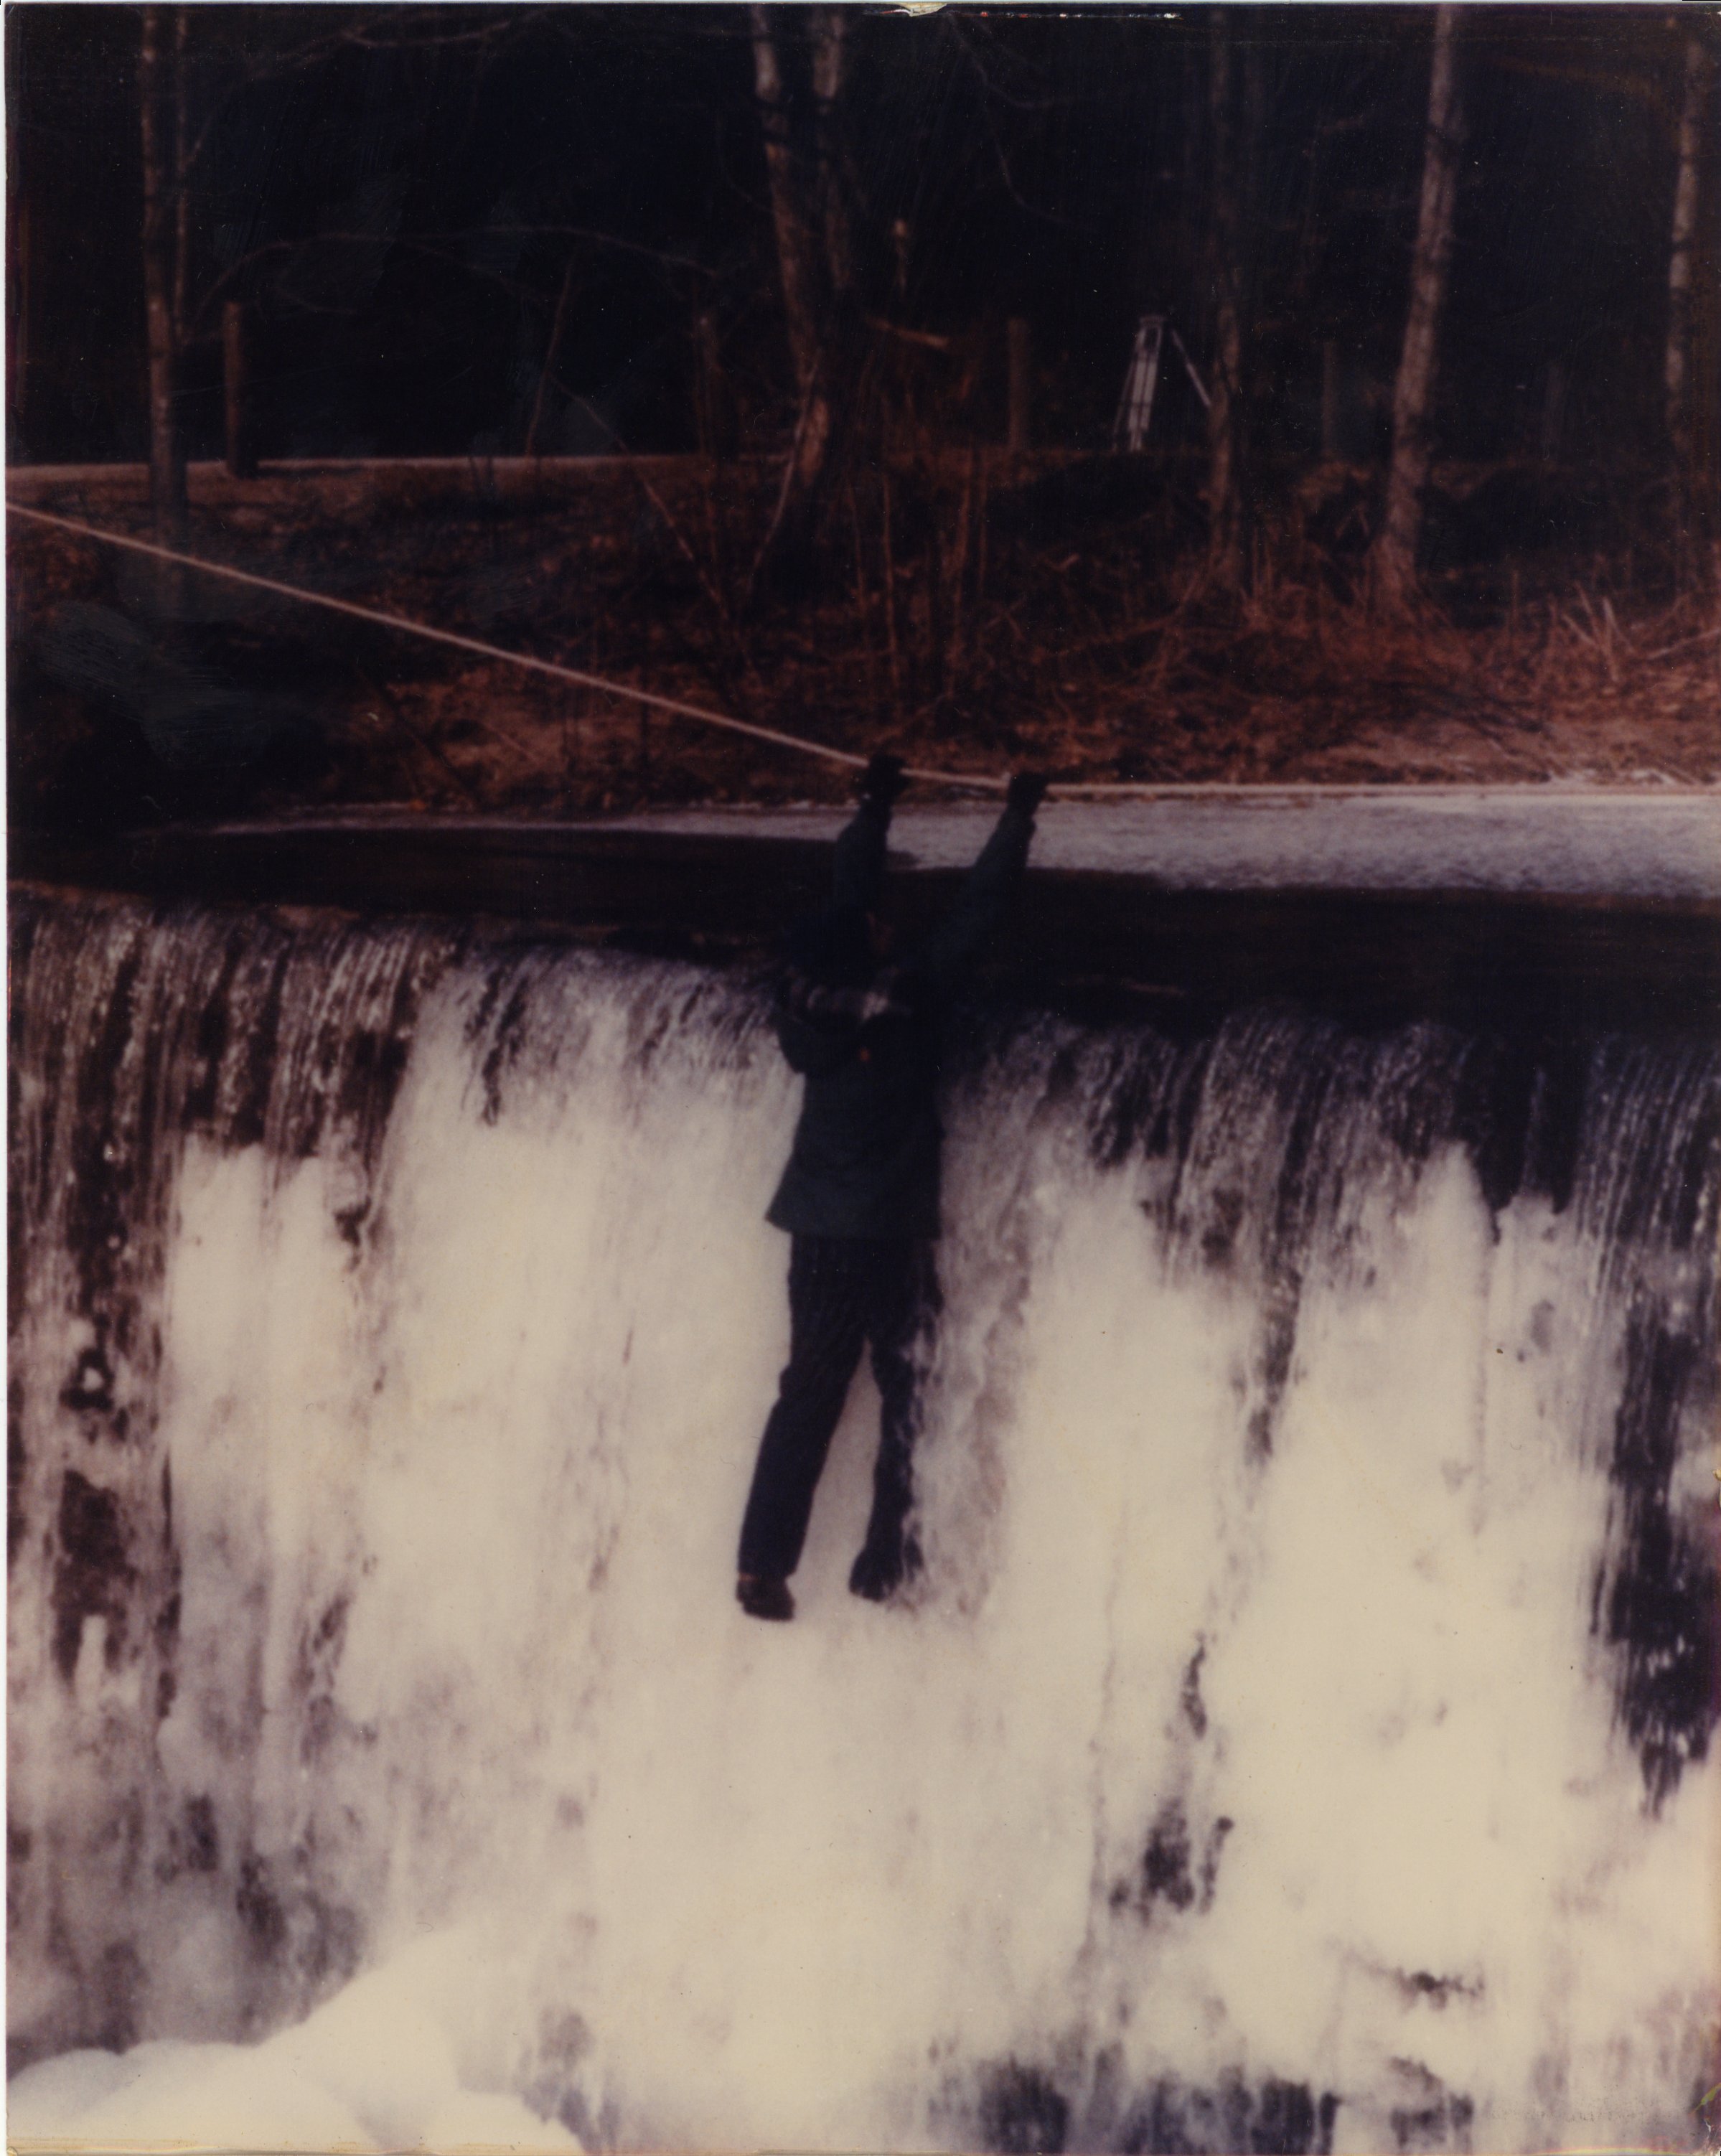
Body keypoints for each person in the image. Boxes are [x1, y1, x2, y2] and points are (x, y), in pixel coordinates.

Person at [736, 753, 1048, 1622]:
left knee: (810, 1389)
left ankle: (762, 1565)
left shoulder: (805, 1000)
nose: (883, 926)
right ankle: (888, 1558)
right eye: (875, 927)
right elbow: (978, 913)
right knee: (910, 1383)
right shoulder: (913, 1001)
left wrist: (873, 808)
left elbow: (848, 901)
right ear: (870, 949)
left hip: (816, 1231)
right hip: (885, 1238)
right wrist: (1017, 817)